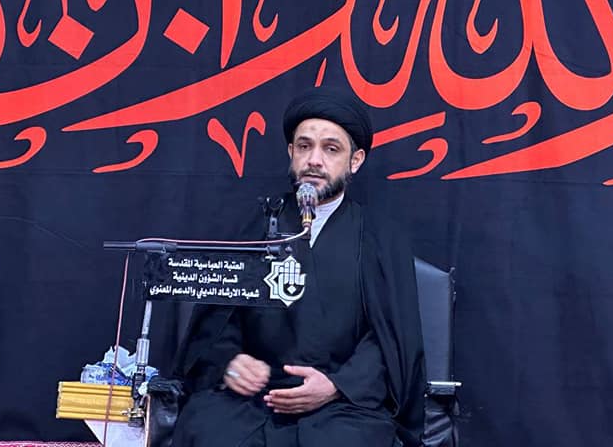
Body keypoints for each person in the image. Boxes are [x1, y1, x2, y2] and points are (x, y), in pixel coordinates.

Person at [171, 87, 425, 447]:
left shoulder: (380, 238)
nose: (314, 160)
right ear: (291, 153)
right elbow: (217, 323)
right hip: (255, 400)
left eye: (331, 149)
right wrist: (231, 361)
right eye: (304, 146)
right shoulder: (255, 227)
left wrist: (337, 386)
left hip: (342, 405)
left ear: (355, 161)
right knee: (205, 428)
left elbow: (390, 340)